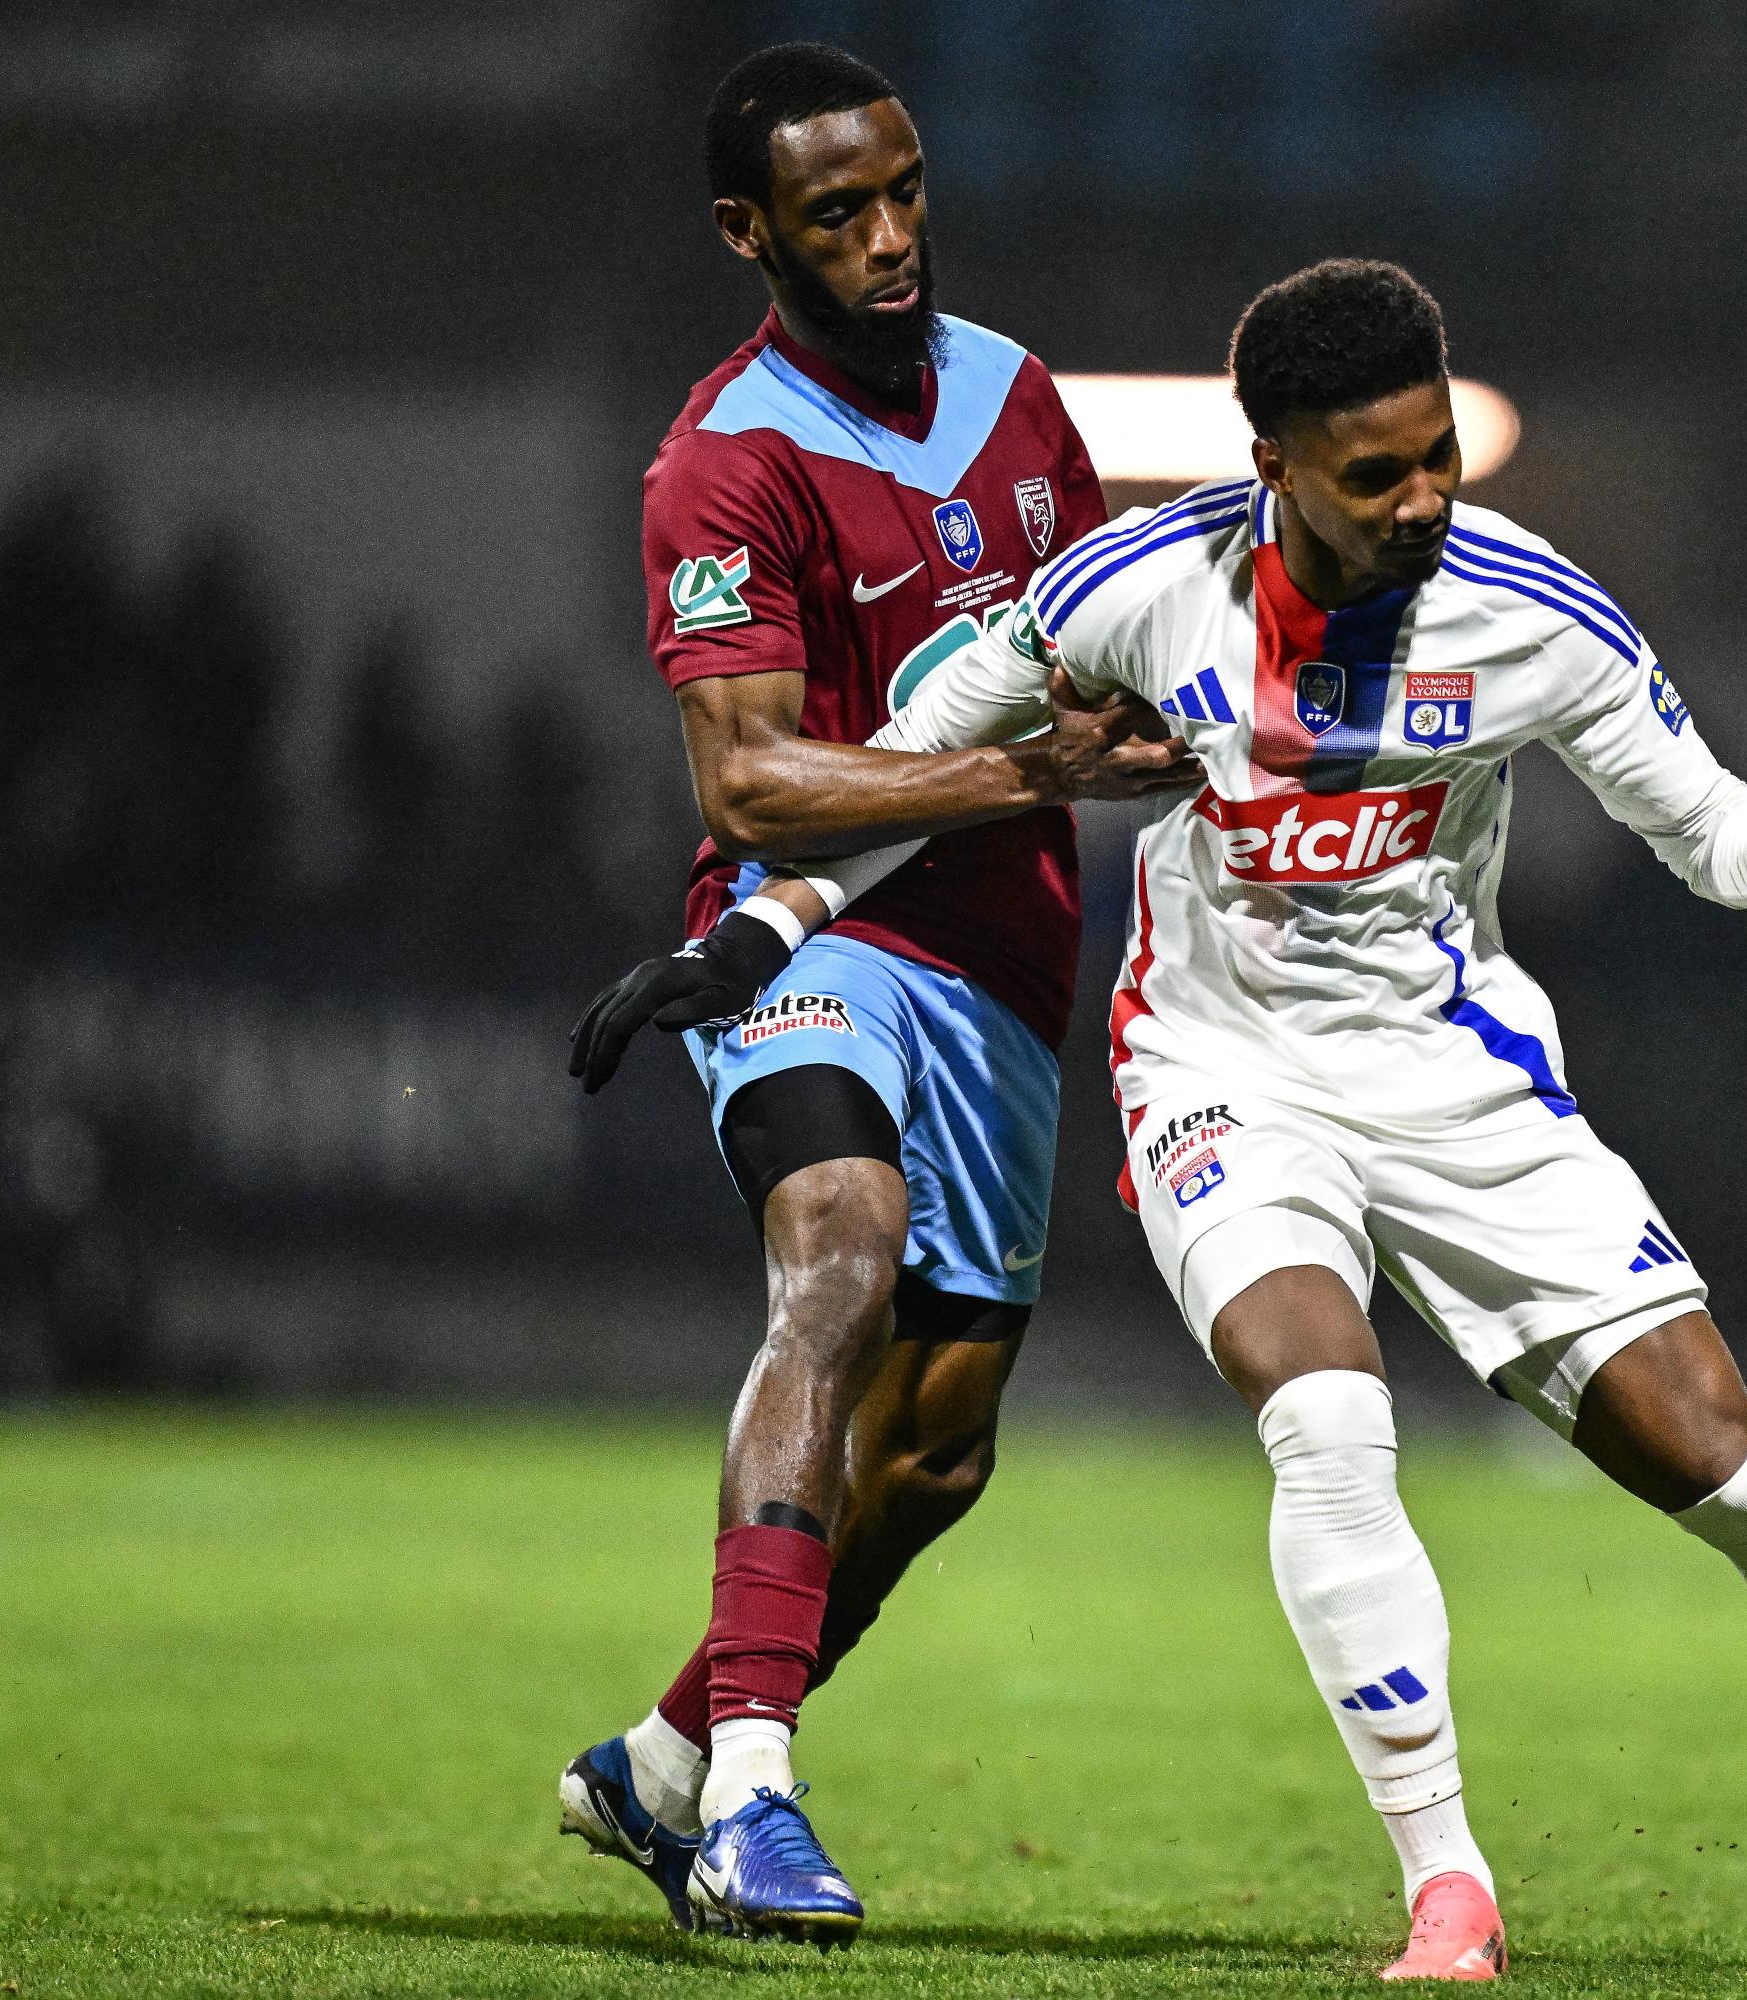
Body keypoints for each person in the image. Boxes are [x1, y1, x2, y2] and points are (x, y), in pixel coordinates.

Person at [576, 258, 1747, 1980]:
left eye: (1439, 455)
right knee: (1330, 1421)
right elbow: (920, 759)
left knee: (1722, 1459)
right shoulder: (1135, 588)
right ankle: (1450, 1887)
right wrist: (756, 933)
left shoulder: (1533, 614)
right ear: (1273, 460)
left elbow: (1727, 858)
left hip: (1457, 1075)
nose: (1426, 498)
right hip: (1221, 1073)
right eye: (1380, 473)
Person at [553, 42, 1199, 1947]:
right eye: (841, 213)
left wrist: (1137, 731)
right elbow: (751, 782)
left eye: (907, 190)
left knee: (936, 1447)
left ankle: (665, 1756)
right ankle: (754, 1795)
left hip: (1006, 965)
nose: (892, 235)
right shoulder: (720, 462)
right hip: (806, 933)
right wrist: (1034, 775)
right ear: (752, 232)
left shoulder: (1014, 395)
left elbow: (1087, 667)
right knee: (839, 1245)